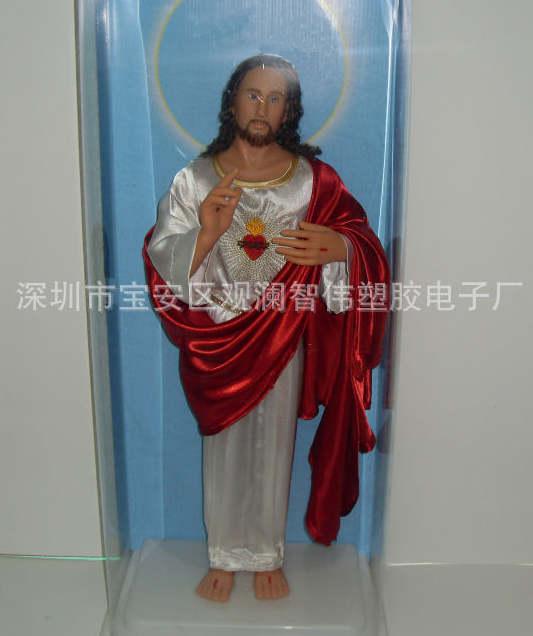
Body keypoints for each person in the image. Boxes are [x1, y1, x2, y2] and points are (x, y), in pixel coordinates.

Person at [144, 54, 389, 603]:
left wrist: (340, 248)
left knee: (272, 447)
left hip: (282, 333)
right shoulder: (195, 180)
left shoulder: (313, 181)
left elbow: (361, 239)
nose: (262, 107)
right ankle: (224, 555)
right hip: (218, 334)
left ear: (289, 111)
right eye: (253, 94)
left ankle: (265, 555)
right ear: (232, 102)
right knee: (224, 450)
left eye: (276, 98)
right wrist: (206, 234)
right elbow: (163, 255)